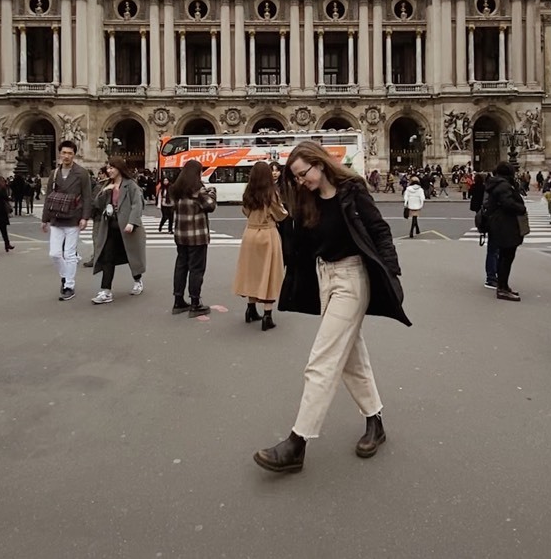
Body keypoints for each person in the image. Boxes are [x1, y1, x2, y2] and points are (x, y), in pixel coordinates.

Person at [253, 141, 410, 474]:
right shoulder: (306, 199)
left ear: (319, 164)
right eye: (294, 177)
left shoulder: (351, 190)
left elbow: (380, 230)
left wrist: (392, 273)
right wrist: (287, 187)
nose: (300, 182)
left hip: (352, 278)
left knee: (322, 360)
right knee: (351, 358)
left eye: (302, 174)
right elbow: (301, 241)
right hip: (326, 278)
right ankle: (375, 422)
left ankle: (297, 442)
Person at [232, 161, 288, 331]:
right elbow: (280, 214)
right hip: (267, 233)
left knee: (252, 272)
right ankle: (267, 315)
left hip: (250, 233)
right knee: (269, 273)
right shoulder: (271, 193)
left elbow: (245, 211)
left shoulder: (248, 192)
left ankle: (250, 309)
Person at [41, 140, 93, 302]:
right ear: (60, 154)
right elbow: (48, 197)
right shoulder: (54, 173)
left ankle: (69, 285)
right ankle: (65, 276)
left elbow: (87, 197)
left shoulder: (82, 173)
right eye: (64, 153)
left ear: (74, 155)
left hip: (73, 217)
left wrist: (85, 217)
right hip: (57, 217)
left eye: (70, 153)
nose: (66, 156)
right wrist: (45, 219)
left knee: (70, 254)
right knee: (55, 254)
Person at [90, 157, 147, 303]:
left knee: (131, 256)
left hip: (127, 227)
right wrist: (104, 192)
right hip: (110, 227)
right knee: (108, 258)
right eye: (108, 168)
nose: (108, 171)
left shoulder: (130, 185)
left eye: (111, 168)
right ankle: (106, 291)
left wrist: (132, 222)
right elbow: (96, 204)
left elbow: (137, 204)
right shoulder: (106, 185)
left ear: (119, 169)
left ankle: (137, 280)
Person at [170, 159, 217, 317]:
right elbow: (210, 206)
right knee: (196, 268)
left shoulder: (176, 190)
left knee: (181, 266)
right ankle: (195, 303)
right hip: (197, 236)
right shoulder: (198, 190)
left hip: (181, 235)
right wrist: (212, 192)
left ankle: (178, 301)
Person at [484, 162, 528, 302]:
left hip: (500, 224)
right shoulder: (503, 186)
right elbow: (507, 203)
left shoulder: (497, 184)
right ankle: (502, 288)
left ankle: (503, 285)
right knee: (506, 258)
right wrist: (520, 207)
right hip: (505, 225)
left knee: (504, 256)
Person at [84, 166, 109, 269]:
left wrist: (90, 213)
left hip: (99, 216)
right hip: (108, 216)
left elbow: (94, 202)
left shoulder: (100, 186)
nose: (99, 175)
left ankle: (97, 258)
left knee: (97, 238)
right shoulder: (112, 184)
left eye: (100, 173)